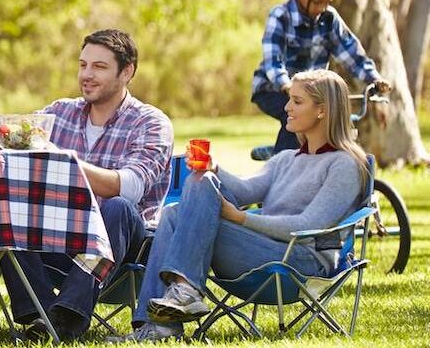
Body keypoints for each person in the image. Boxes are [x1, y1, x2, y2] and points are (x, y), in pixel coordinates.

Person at [109, 69, 369, 342]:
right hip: (262, 250)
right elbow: (246, 190)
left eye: (297, 101)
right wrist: (213, 168)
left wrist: (241, 219)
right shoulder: (287, 159)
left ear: (322, 111)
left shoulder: (345, 164)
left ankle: (177, 302)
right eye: (289, 99)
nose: (287, 107)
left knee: (182, 210)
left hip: (301, 261)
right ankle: (163, 318)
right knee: (181, 204)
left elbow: (309, 225)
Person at [0, 29, 173, 342]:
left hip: (122, 244)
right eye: (83, 65)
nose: (87, 75)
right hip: (58, 235)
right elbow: (12, 143)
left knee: (118, 206)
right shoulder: (58, 113)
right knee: (9, 207)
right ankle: (40, 315)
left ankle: (66, 316)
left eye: (99, 67)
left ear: (127, 71)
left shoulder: (151, 122)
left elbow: (129, 188)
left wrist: (62, 161)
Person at [252, 0, 391, 152]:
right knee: (295, 113)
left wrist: (373, 78)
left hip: (312, 92)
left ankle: (313, 163)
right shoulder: (280, 17)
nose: (322, 8)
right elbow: (272, 62)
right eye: (318, 1)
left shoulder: (329, 19)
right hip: (271, 88)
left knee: (325, 121)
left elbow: (351, 53)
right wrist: (287, 85)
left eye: (327, 1)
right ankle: (282, 167)